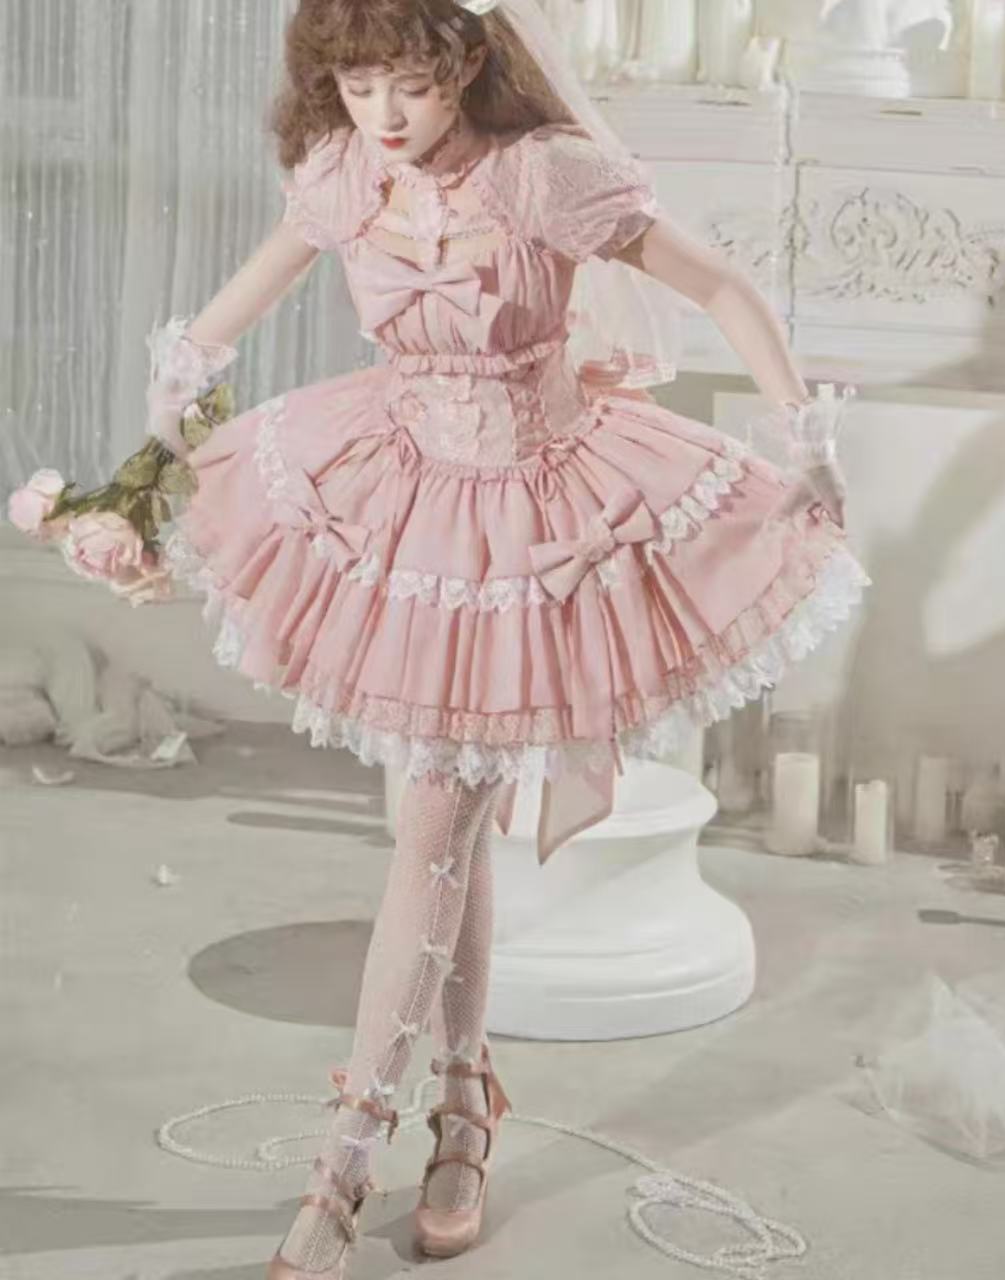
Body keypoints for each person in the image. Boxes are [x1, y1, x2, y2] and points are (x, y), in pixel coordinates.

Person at [145, 1, 870, 1274]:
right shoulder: (346, 174)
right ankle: (465, 1102)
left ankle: (345, 1160)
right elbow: (243, 296)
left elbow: (718, 284)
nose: (382, 114)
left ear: (468, 63)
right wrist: (170, 403)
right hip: (401, 502)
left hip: (537, 522)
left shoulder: (542, 173)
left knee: (432, 827)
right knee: (447, 827)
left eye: (409, 86)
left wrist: (801, 435)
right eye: (357, 85)